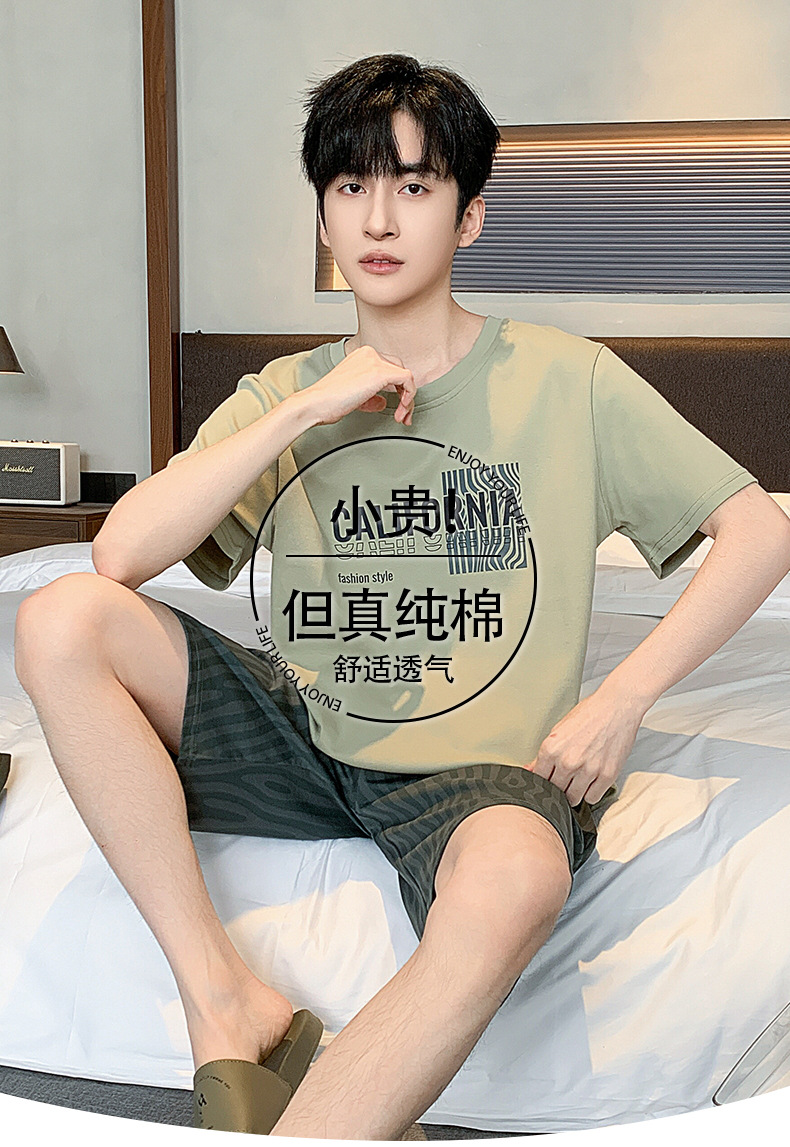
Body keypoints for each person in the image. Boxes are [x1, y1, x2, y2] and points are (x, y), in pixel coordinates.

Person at [13, 53, 790, 1141]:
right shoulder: (286, 389)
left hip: (474, 771)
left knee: (517, 876)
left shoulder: (567, 378)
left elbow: (760, 530)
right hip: (301, 728)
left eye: (414, 187)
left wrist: (620, 702)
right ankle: (221, 994)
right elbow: (118, 557)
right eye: (349, 187)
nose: (377, 218)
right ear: (324, 216)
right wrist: (303, 411)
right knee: (56, 616)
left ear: (468, 218)